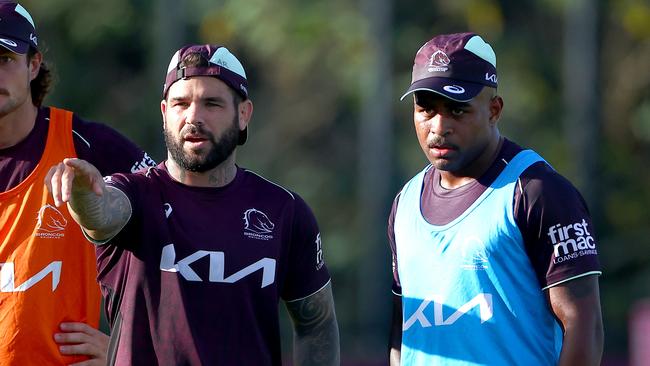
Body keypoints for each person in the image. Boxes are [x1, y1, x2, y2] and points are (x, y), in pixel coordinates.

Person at [46, 43, 340, 365]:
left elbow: (316, 323)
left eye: (211, 103)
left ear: (244, 114)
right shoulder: (135, 193)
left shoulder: (283, 210)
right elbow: (101, 215)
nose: (193, 117)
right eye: (180, 103)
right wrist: (85, 193)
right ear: (164, 113)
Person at [387, 32, 603, 365]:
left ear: (494, 110)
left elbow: (584, 326)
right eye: (426, 110)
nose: (438, 127)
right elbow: (402, 334)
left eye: (457, 110)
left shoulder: (537, 191)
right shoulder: (404, 204)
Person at [0, 2, 155, 365]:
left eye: (5, 59)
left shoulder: (84, 146)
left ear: (33, 65)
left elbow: (177, 229)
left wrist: (129, 345)